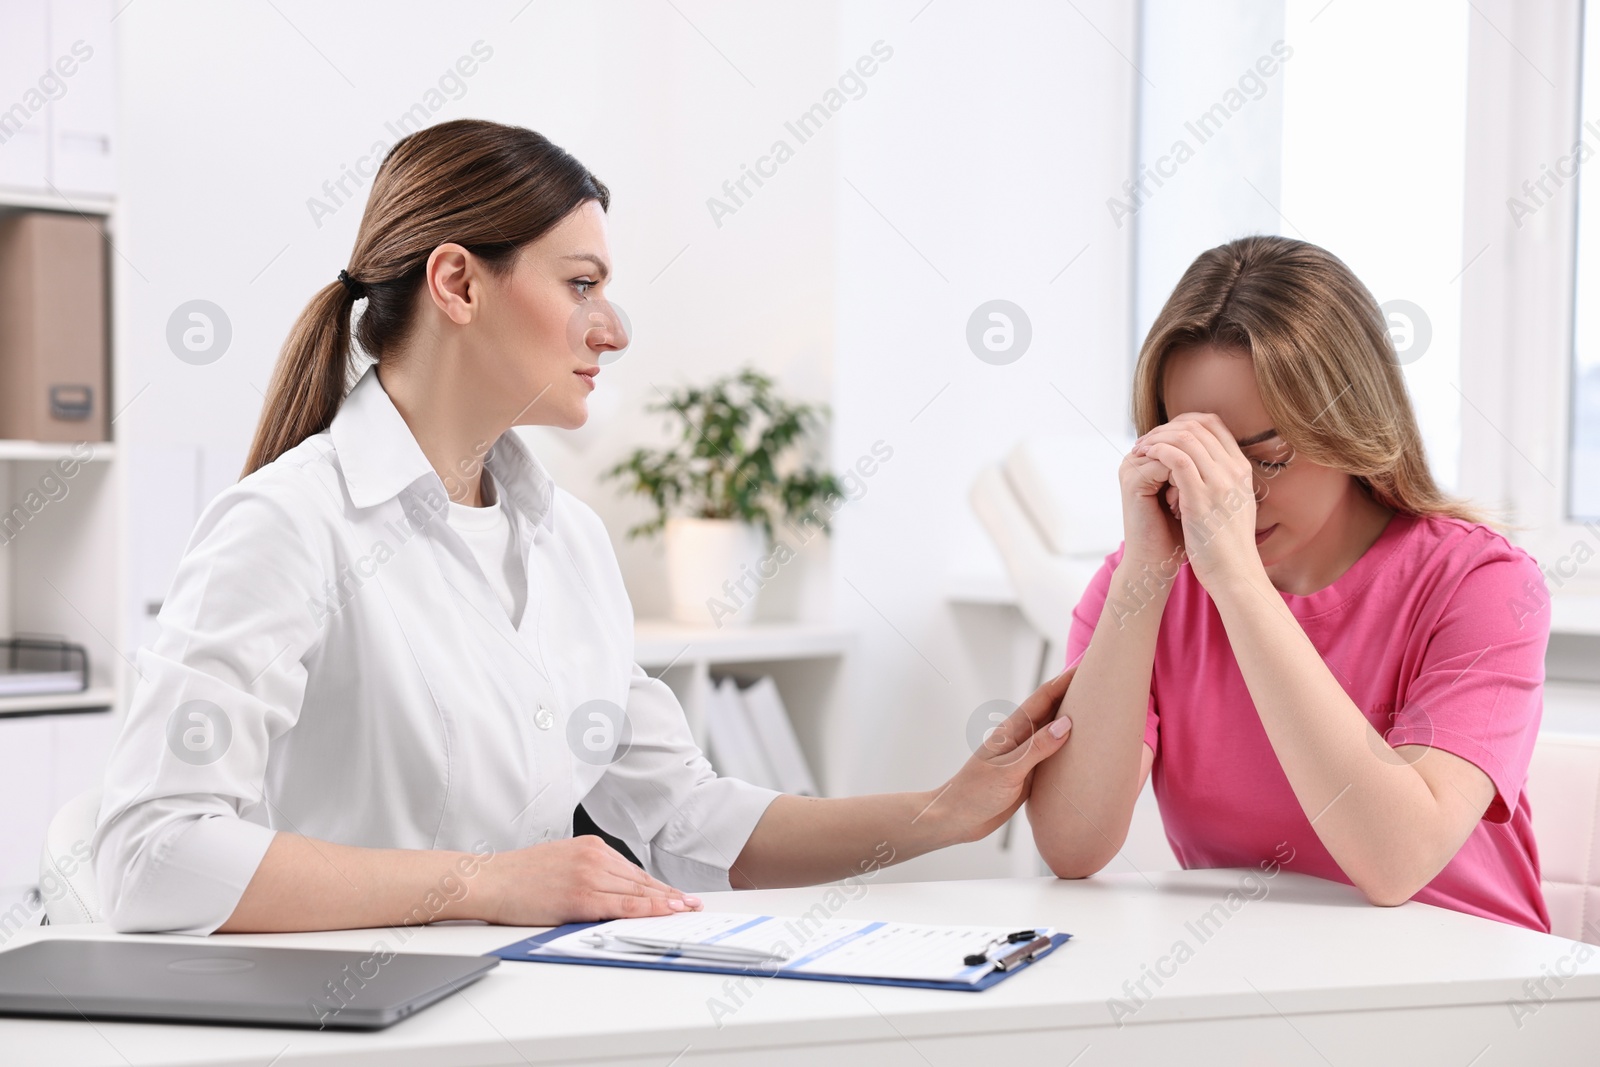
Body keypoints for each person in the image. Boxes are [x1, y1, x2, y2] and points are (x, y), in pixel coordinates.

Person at [93, 119, 1075, 935]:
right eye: (579, 283)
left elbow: (679, 813)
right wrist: (483, 882)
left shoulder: (565, 540)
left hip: (519, 1012)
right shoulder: (287, 527)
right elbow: (150, 852)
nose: (614, 326)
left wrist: (942, 813)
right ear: (458, 284)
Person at [1026, 235, 1550, 931]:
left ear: (1352, 426)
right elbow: (1072, 843)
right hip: (1253, 987)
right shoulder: (1140, 587)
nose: (1235, 495)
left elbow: (1396, 859)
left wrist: (1239, 583)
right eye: (1201, 458)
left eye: (1267, 458)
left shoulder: (1481, 585)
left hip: (1456, 994)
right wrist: (1145, 575)